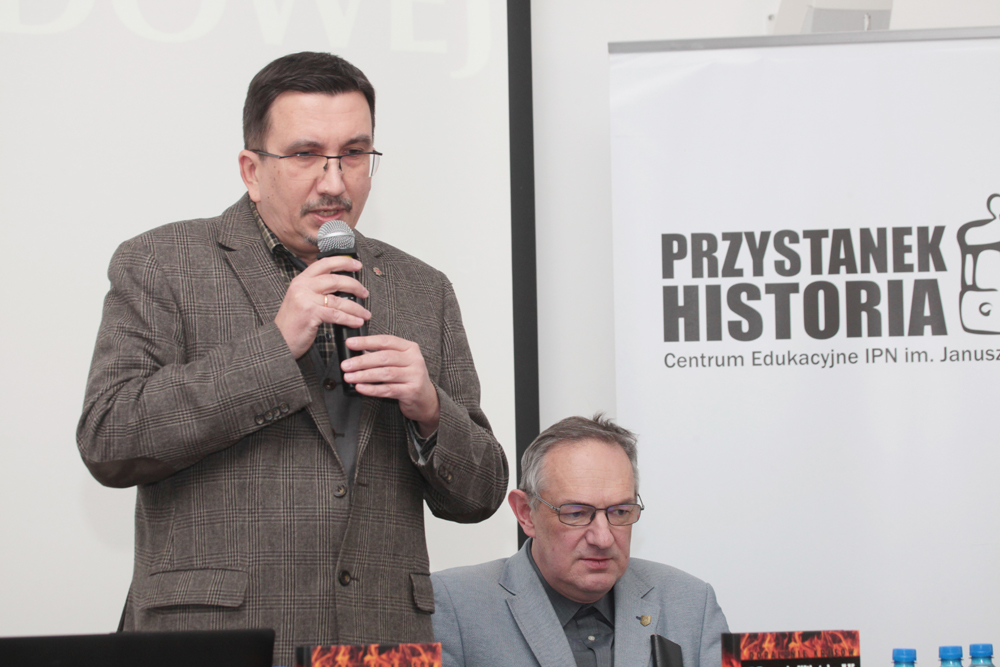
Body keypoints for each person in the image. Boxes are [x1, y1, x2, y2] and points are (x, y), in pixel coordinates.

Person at [77, 51, 508, 666]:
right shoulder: (162, 264)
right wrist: (273, 348)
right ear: (251, 170)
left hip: (383, 643)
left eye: (354, 154)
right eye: (306, 154)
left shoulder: (422, 288)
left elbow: (482, 494)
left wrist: (431, 411)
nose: (334, 182)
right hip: (219, 638)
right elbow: (109, 439)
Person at [431, 415, 727, 667]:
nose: (603, 538)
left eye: (620, 512)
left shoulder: (692, 603)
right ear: (526, 513)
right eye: (576, 513)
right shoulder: (450, 605)